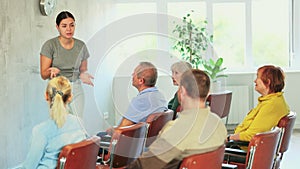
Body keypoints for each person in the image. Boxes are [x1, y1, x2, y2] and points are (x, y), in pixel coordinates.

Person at [125, 69, 227, 169]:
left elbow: (145, 165)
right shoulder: (218, 124)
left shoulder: (176, 130)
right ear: (208, 92)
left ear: (182, 91)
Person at [10, 76, 87, 169]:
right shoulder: (79, 123)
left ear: (46, 96)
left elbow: (29, 167)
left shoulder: (41, 131)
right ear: (70, 97)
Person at [225, 65, 290, 163]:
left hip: (249, 152)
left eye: (257, 77)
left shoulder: (271, 105)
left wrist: (229, 138)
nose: (255, 81)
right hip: (250, 149)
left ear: (267, 82)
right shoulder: (273, 100)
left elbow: (252, 135)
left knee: (208, 153)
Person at [40, 11, 94, 118]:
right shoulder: (50, 45)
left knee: (78, 123)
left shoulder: (80, 45)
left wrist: (83, 74)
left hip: (76, 88)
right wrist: (50, 71)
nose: (69, 29)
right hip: (57, 88)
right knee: (60, 123)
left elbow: (83, 70)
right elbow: (43, 74)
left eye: (72, 25)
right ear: (57, 27)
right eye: (64, 26)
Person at [98, 61, 168, 137]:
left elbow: (121, 131)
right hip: (148, 141)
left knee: (97, 137)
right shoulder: (160, 96)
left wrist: (111, 130)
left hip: (130, 143)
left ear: (141, 81)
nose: (132, 75)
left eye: (134, 74)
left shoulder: (141, 101)